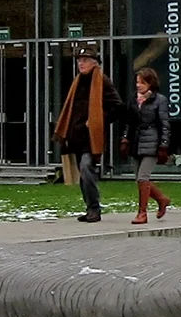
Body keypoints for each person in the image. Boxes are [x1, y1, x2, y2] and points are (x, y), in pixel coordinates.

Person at [53, 50, 127, 223]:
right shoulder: (77, 82)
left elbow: (118, 107)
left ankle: (94, 208)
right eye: (79, 60)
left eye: (85, 60)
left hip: (91, 137)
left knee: (87, 168)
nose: (81, 63)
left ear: (95, 62)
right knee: (83, 173)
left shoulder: (102, 81)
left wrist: (98, 120)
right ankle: (89, 208)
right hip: (76, 135)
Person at [129, 69, 174, 224]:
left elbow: (165, 124)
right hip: (136, 142)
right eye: (137, 82)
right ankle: (162, 199)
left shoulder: (159, 100)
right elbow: (130, 122)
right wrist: (124, 139)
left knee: (143, 178)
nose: (139, 86)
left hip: (152, 142)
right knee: (140, 179)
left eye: (142, 82)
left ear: (150, 83)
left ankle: (142, 213)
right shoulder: (134, 100)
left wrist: (163, 145)